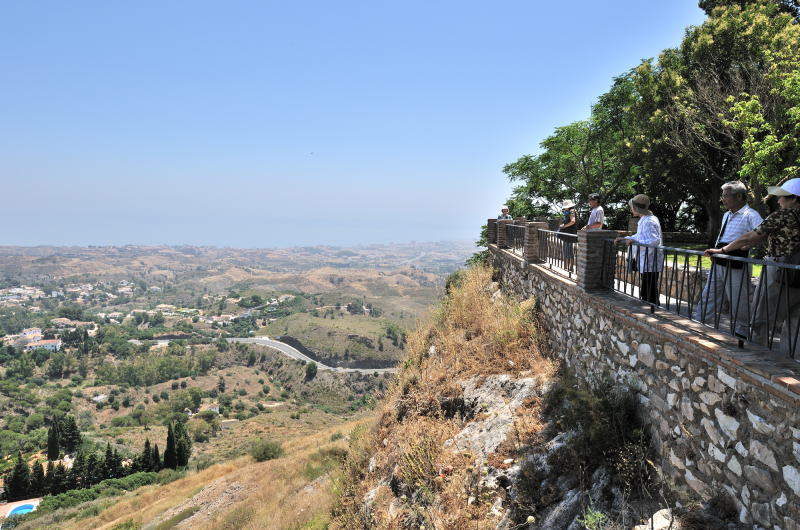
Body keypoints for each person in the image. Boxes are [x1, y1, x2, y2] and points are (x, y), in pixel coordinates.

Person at [705, 178, 800, 356]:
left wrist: (723, 249)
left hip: (780, 270)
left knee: (760, 318)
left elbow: (751, 236)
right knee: (796, 322)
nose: (778, 201)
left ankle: (755, 359)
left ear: (794, 199)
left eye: (782, 197)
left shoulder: (784, 215)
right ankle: (793, 365)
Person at [693, 181, 763, 337]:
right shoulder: (727, 214)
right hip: (720, 258)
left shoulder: (750, 215)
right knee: (709, 294)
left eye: (725, 196)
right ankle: (699, 323)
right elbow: (723, 236)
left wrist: (750, 243)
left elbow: (762, 233)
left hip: (736, 261)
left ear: (739, 196)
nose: (722, 199)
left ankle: (742, 332)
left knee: (738, 298)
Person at [614, 194, 663, 305]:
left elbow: (654, 241)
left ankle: (652, 314)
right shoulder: (646, 219)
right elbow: (640, 236)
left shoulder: (649, 221)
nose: (631, 210)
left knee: (649, 291)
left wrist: (635, 242)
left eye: (632, 207)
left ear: (636, 208)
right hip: (647, 260)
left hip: (650, 260)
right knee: (647, 290)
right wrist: (626, 238)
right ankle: (651, 312)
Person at [558, 200, 577, 269]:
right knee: (566, 249)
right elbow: (568, 221)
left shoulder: (572, 211)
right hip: (567, 233)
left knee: (569, 250)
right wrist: (563, 225)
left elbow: (573, 221)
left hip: (570, 234)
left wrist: (564, 226)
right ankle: (566, 267)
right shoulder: (569, 211)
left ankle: (570, 267)